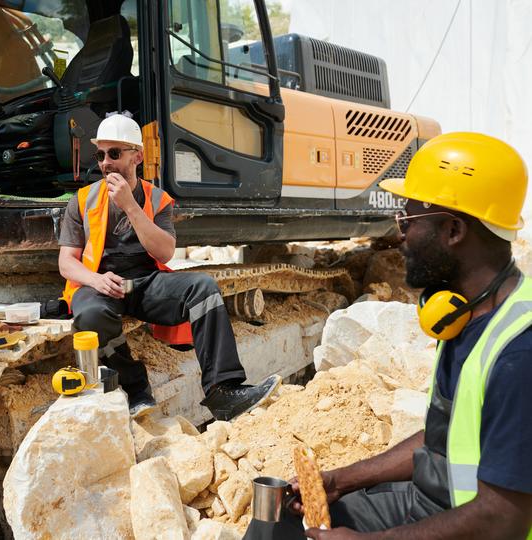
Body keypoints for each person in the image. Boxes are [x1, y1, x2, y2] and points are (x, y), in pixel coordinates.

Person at [291, 132, 532, 540]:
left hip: (475, 525)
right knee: (292, 522)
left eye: (408, 221)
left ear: (453, 230)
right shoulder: (462, 314)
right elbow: (445, 437)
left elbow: (501, 519)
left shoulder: (518, 356)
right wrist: (343, 479)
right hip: (437, 502)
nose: (399, 235)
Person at [57, 113, 278, 420]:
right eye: (101, 154)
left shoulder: (158, 200)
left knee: (202, 288)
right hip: (100, 285)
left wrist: (130, 206)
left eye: (115, 154)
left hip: (146, 282)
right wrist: (94, 280)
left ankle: (223, 391)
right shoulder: (81, 201)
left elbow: (165, 251)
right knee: (91, 316)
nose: (106, 163)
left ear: (138, 156)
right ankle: (135, 386)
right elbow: (67, 262)